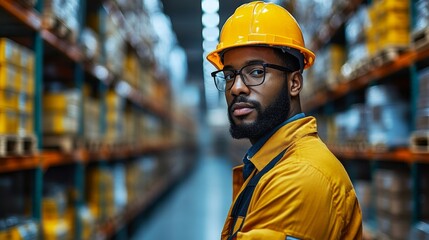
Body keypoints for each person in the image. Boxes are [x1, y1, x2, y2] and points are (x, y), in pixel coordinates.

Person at [206, 1, 362, 239]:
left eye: (256, 71)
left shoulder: (300, 178)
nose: (236, 87)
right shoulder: (269, 163)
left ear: (294, 83)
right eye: (229, 75)